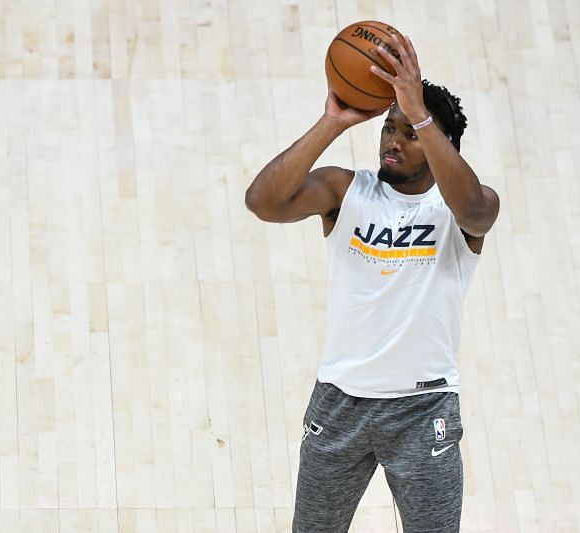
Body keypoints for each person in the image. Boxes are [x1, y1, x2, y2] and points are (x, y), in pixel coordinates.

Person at [245, 32, 499, 533]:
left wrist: (421, 114)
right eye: (389, 129)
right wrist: (333, 121)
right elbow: (263, 202)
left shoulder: (462, 208)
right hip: (340, 401)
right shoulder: (348, 190)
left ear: (436, 141)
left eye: (409, 133)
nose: (392, 141)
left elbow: (474, 209)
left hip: (423, 408)